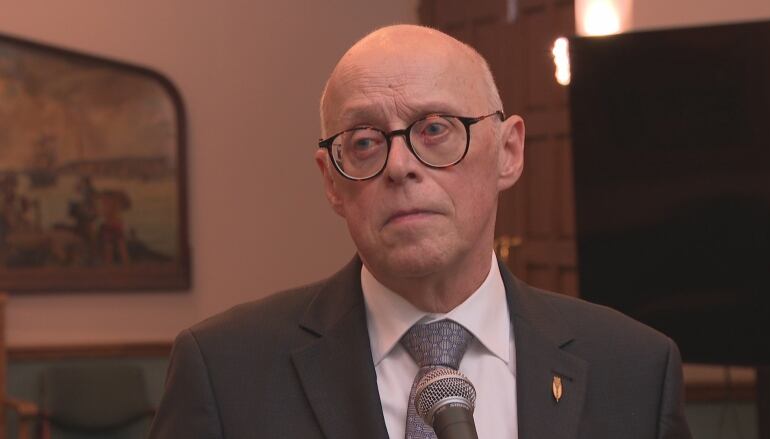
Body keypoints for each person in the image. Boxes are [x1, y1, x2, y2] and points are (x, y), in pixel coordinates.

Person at [149, 25, 691, 439]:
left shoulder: (635, 369)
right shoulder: (225, 372)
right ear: (331, 183)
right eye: (364, 141)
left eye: (435, 129)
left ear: (509, 152)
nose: (399, 165)